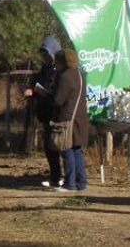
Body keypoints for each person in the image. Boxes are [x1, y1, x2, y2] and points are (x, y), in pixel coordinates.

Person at [23, 36, 62, 188]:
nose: (45, 58)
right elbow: (37, 83)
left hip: (56, 113)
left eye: (47, 54)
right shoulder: (45, 69)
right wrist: (32, 89)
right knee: (49, 147)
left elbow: (56, 90)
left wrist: (44, 92)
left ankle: (63, 177)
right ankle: (55, 176)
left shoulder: (59, 71)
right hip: (45, 112)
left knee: (60, 146)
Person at [51, 49, 89, 192]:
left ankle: (70, 183)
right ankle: (81, 182)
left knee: (67, 150)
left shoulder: (65, 76)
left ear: (62, 61)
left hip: (67, 119)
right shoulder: (80, 75)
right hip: (80, 118)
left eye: (57, 61)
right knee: (77, 150)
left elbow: (58, 100)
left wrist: (49, 94)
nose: (55, 64)